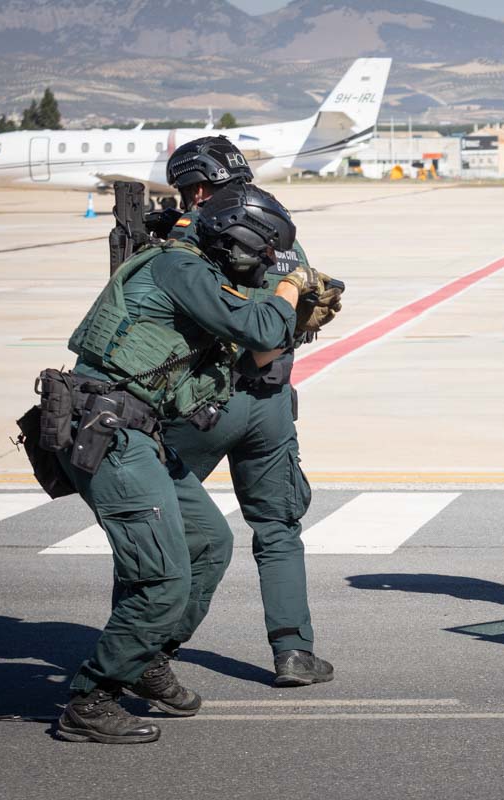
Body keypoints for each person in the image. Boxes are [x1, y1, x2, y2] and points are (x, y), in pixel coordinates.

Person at [52, 182, 322, 743]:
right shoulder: (181, 268)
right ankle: (92, 697)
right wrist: (292, 288)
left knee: (207, 542)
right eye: (264, 251)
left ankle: (147, 655)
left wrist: (293, 311)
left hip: (140, 433)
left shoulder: (197, 269)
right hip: (111, 433)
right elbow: (263, 328)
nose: (270, 262)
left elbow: (256, 348)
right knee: (162, 580)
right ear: (233, 238)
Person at [158, 136, 341, 688]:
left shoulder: (189, 240)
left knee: (166, 524)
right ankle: (293, 652)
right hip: (270, 401)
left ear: (196, 186)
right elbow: (305, 308)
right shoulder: (280, 231)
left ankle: (151, 649)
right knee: (279, 527)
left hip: (200, 403)